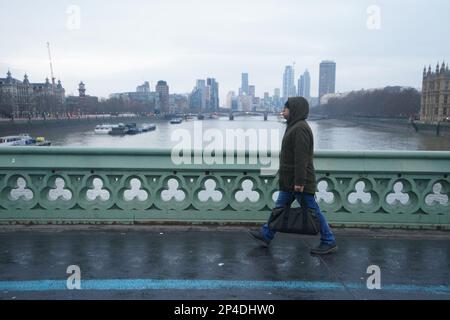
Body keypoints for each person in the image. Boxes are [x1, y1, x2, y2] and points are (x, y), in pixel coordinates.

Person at [249, 97, 337, 255]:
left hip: (298, 181)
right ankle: (266, 234)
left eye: (286, 109)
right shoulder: (294, 126)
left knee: (312, 210)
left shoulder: (300, 128)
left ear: (294, 110)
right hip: (290, 180)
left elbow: (301, 158)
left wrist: (300, 182)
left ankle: (329, 241)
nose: (282, 111)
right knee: (279, 208)